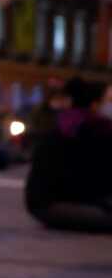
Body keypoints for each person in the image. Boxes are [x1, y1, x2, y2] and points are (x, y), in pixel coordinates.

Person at [25, 77, 112, 233]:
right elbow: (86, 180)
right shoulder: (83, 129)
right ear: (95, 104)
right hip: (53, 204)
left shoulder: (74, 123)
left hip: (64, 200)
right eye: (108, 101)